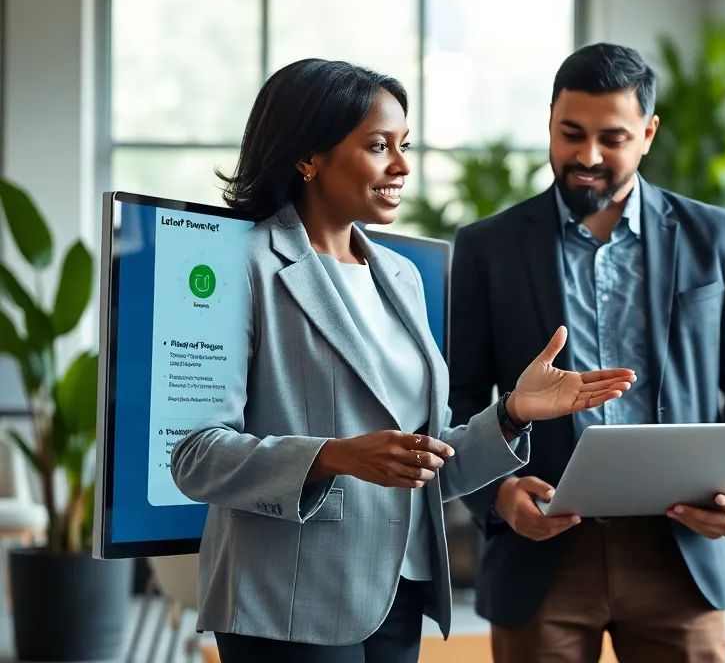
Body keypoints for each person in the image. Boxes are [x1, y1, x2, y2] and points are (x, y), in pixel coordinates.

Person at [170, 58, 637, 663]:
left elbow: (427, 460)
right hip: (289, 599)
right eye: (377, 146)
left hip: (402, 589)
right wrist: (335, 456)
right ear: (308, 157)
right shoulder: (242, 267)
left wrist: (513, 413)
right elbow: (194, 455)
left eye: (404, 145)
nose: (402, 166)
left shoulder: (402, 276)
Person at [449, 42, 725, 663]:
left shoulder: (714, 235)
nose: (587, 156)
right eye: (570, 133)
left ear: (649, 133)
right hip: (542, 551)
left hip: (683, 548)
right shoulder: (485, 247)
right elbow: (459, 396)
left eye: (613, 137)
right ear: (549, 122)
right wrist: (496, 497)